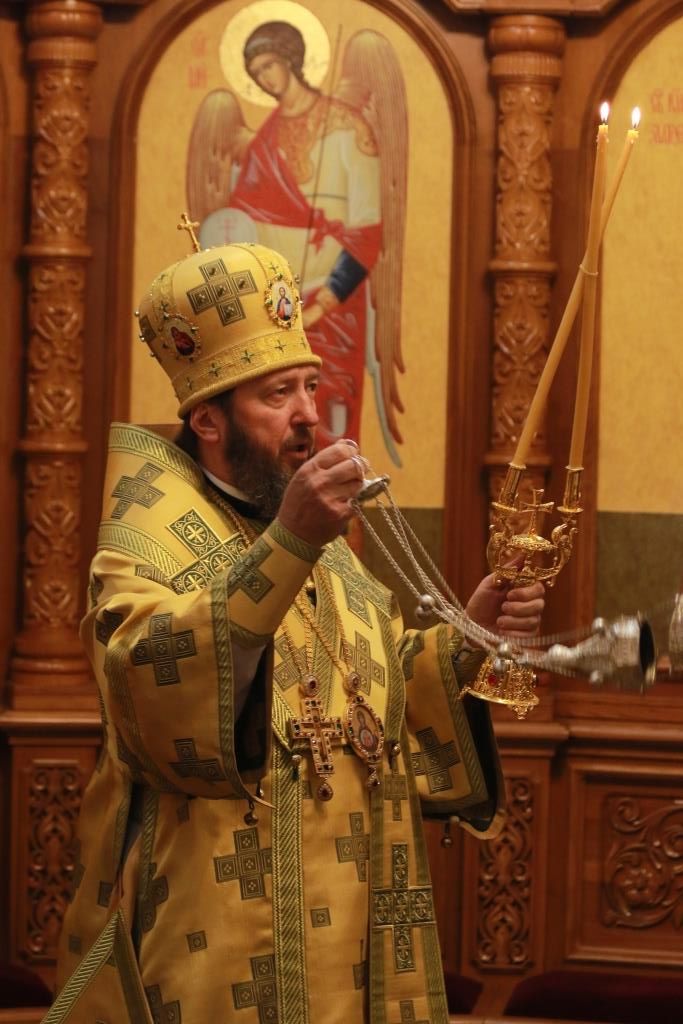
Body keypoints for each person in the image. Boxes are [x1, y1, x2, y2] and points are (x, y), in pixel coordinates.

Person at [49, 241, 544, 1024]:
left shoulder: (321, 541)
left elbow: (372, 684)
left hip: (353, 923)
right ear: (208, 421)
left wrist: (463, 642)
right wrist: (289, 543)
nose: (310, 413)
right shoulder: (146, 539)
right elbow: (157, 695)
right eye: (278, 393)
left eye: (310, 385)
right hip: (216, 929)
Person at [188, 19, 407, 458]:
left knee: (329, 419)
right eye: (256, 74)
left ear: (291, 61)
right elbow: (241, 224)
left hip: (332, 305)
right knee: (269, 431)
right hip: (272, 311)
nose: (265, 80)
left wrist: (321, 305)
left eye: (270, 65)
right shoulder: (264, 141)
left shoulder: (348, 128)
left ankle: (338, 502)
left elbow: (366, 234)